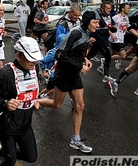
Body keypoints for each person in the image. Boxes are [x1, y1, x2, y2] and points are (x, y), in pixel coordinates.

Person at [36, 11, 100, 154]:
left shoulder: (87, 33)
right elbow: (60, 54)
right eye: (95, 22)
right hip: (63, 74)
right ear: (88, 21)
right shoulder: (75, 33)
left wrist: (85, 60)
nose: (98, 25)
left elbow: (77, 52)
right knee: (56, 104)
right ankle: (37, 101)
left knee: (80, 105)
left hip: (74, 75)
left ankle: (75, 139)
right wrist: (79, 65)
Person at [0, 36, 43, 166]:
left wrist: (34, 100)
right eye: (30, 58)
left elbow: (32, 88)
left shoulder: (34, 67)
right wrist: (6, 103)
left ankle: (3, 152)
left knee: (31, 157)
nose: (34, 62)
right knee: (10, 162)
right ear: (18, 55)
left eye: (35, 58)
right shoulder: (5, 73)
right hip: (7, 124)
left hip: (25, 122)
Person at [86, 1, 117, 83]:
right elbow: (89, 26)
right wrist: (90, 36)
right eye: (108, 8)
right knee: (108, 56)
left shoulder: (109, 16)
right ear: (102, 8)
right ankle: (106, 76)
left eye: (110, 8)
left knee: (90, 55)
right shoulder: (96, 16)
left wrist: (113, 30)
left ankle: (80, 63)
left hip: (104, 39)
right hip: (97, 39)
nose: (109, 10)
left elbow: (110, 27)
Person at [109, 3, 130, 70]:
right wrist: (111, 34)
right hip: (115, 39)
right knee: (123, 56)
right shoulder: (115, 17)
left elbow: (125, 28)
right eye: (128, 8)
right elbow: (108, 26)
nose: (129, 10)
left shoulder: (126, 18)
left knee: (113, 54)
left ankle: (104, 64)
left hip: (121, 38)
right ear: (122, 9)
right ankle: (105, 60)